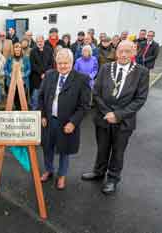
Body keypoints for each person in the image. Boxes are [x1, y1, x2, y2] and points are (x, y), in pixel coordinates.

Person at [81, 41, 149, 195]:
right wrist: (108, 113)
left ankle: (112, 179)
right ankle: (98, 172)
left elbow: (140, 99)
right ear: (116, 52)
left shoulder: (142, 72)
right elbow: (96, 92)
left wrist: (118, 115)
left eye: (128, 51)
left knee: (118, 152)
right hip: (103, 118)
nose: (124, 54)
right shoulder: (106, 68)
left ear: (134, 53)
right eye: (121, 51)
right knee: (102, 148)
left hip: (124, 121)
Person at [38, 48, 90, 190]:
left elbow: (84, 106)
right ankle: (49, 170)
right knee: (47, 148)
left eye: (65, 63)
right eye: (59, 63)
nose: (62, 66)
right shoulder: (49, 75)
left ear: (72, 62)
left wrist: (73, 122)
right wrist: (42, 115)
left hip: (67, 123)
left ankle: (62, 175)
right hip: (49, 120)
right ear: (56, 62)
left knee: (64, 150)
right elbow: (41, 97)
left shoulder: (82, 79)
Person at [29, 35, 54, 110]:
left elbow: (51, 63)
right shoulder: (33, 51)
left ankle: (44, 113)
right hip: (36, 78)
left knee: (46, 96)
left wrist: (45, 73)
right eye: (38, 41)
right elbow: (33, 64)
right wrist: (41, 73)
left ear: (44, 41)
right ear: (36, 42)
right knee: (35, 97)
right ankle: (34, 112)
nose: (40, 43)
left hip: (47, 77)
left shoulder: (49, 50)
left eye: (41, 41)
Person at [4, 42, 31, 110]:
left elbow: (29, 69)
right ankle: (15, 114)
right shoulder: (9, 58)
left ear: (21, 49)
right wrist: (9, 74)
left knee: (22, 99)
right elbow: (5, 69)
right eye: (16, 48)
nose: (17, 49)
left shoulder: (25, 58)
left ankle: (22, 115)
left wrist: (23, 75)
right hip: (11, 82)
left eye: (19, 48)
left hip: (23, 82)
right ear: (13, 49)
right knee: (14, 100)